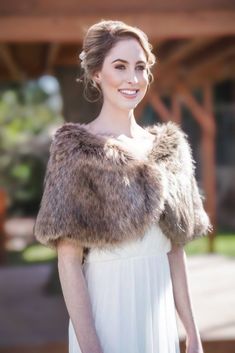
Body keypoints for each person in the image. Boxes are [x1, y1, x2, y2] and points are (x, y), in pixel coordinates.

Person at [34, 20, 212, 353]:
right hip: (106, 316)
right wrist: (90, 346)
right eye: (120, 66)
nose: (133, 78)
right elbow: (68, 260)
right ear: (97, 74)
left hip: (157, 316)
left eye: (140, 68)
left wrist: (193, 331)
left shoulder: (171, 150)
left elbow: (175, 250)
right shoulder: (75, 150)